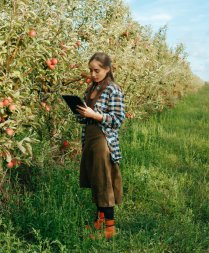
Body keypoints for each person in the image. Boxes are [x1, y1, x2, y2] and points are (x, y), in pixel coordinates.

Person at [77, 52, 125, 239]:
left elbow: (117, 120)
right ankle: (100, 220)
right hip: (89, 139)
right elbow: (85, 117)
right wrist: (80, 112)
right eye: (91, 70)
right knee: (96, 180)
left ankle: (110, 228)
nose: (93, 74)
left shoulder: (113, 90)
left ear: (107, 69)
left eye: (97, 70)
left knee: (104, 182)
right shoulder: (90, 89)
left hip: (103, 140)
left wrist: (94, 115)